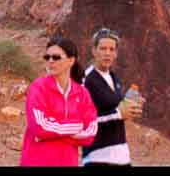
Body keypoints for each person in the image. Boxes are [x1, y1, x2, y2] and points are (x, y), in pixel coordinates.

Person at [20, 35, 97, 166]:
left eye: (56, 57)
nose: (50, 61)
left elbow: (91, 133)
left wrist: (53, 132)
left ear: (71, 60)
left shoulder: (82, 94)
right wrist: (77, 126)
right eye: (47, 57)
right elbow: (40, 128)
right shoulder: (38, 88)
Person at [81, 29, 142, 166]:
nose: (107, 53)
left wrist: (131, 107)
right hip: (97, 157)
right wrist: (119, 113)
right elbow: (83, 123)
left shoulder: (113, 77)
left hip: (121, 155)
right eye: (103, 48)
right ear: (94, 50)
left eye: (111, 49)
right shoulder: (86, 80)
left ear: (116, 53)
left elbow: (117, 109)